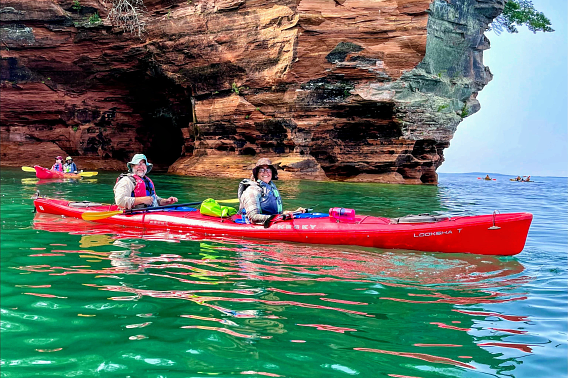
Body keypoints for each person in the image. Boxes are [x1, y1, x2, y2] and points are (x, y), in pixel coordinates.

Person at [238, 158, 305, 224]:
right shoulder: (252, 190)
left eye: (268, 169)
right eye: (261, 170)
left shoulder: (271, 188)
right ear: (256, 173)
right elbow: (253, 217)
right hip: (253, 227)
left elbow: (274, 213)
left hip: (272, 221)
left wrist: (293, 212)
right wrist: (280, 217)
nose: (265, 172)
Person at [114, 153, 178, 210]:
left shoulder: (146, 180)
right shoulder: (126, 181)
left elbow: (154, 200)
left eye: (143, 164)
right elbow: (120, 201)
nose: (141, 167)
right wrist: (142, 200)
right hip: (134, 214)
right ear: (132, 166)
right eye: (138, 164)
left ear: (146, 167)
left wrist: (167, 201)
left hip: (149, 212)